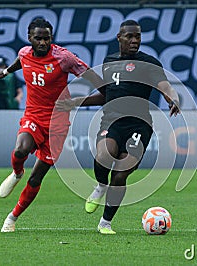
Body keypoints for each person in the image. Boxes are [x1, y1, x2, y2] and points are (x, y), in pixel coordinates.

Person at [56, 20, 180, 234]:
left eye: (138, 37)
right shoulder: (109, 61)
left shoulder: (149, 63)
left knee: (121, 173)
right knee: (104, 156)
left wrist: (172, 98)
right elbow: (106, 96)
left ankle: (105, 222)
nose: (134, 41)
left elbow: (164, 85)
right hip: (111, 120)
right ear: (119, 38)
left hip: (139, 125)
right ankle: (101, 186)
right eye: (130, 36)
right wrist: (76, 102)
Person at [0, 18, 103, 232]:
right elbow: (20, 62)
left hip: (57, 125)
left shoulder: (64, 58)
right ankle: (16, 173)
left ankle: (12, 218)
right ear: (29, 38)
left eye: (46, 38)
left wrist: (91, 97)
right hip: (34, 115)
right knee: (20, 149)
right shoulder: (24, 53)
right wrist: (5, 73)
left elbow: (93, 78)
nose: (42, 42)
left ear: (51, 38)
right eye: (38, 38)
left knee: (37, 177)